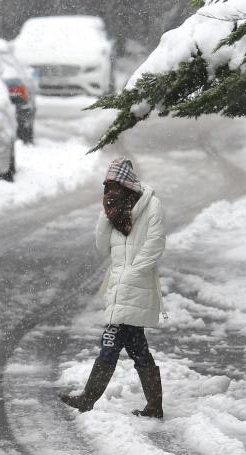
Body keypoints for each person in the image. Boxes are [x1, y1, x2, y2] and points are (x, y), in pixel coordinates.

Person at [60, 157, 166, 418]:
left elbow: (156, 243)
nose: (109, 191)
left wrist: (133, 273)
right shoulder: (113, 211)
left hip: (136, 284)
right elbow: (102, 247)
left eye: (114, 186)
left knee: (110, 342)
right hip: (119, 286)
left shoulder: (152, 205)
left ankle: (88, 398)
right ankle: (154, 406)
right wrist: (105, 215)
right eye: (106, 187)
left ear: (127, 185)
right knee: (137, 348)